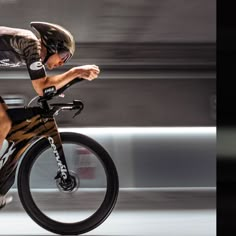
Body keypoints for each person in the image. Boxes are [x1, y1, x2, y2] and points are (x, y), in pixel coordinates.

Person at [0, 21, 100, 209]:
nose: (62, 62)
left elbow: (46, 85)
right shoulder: (31, 43)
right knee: (4, 121)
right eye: (63, 55)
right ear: (52, 44)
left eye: (67, 60)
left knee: (5, 122)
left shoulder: (31, 49)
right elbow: (41, 87)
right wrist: (75, 71)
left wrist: (58, 84)